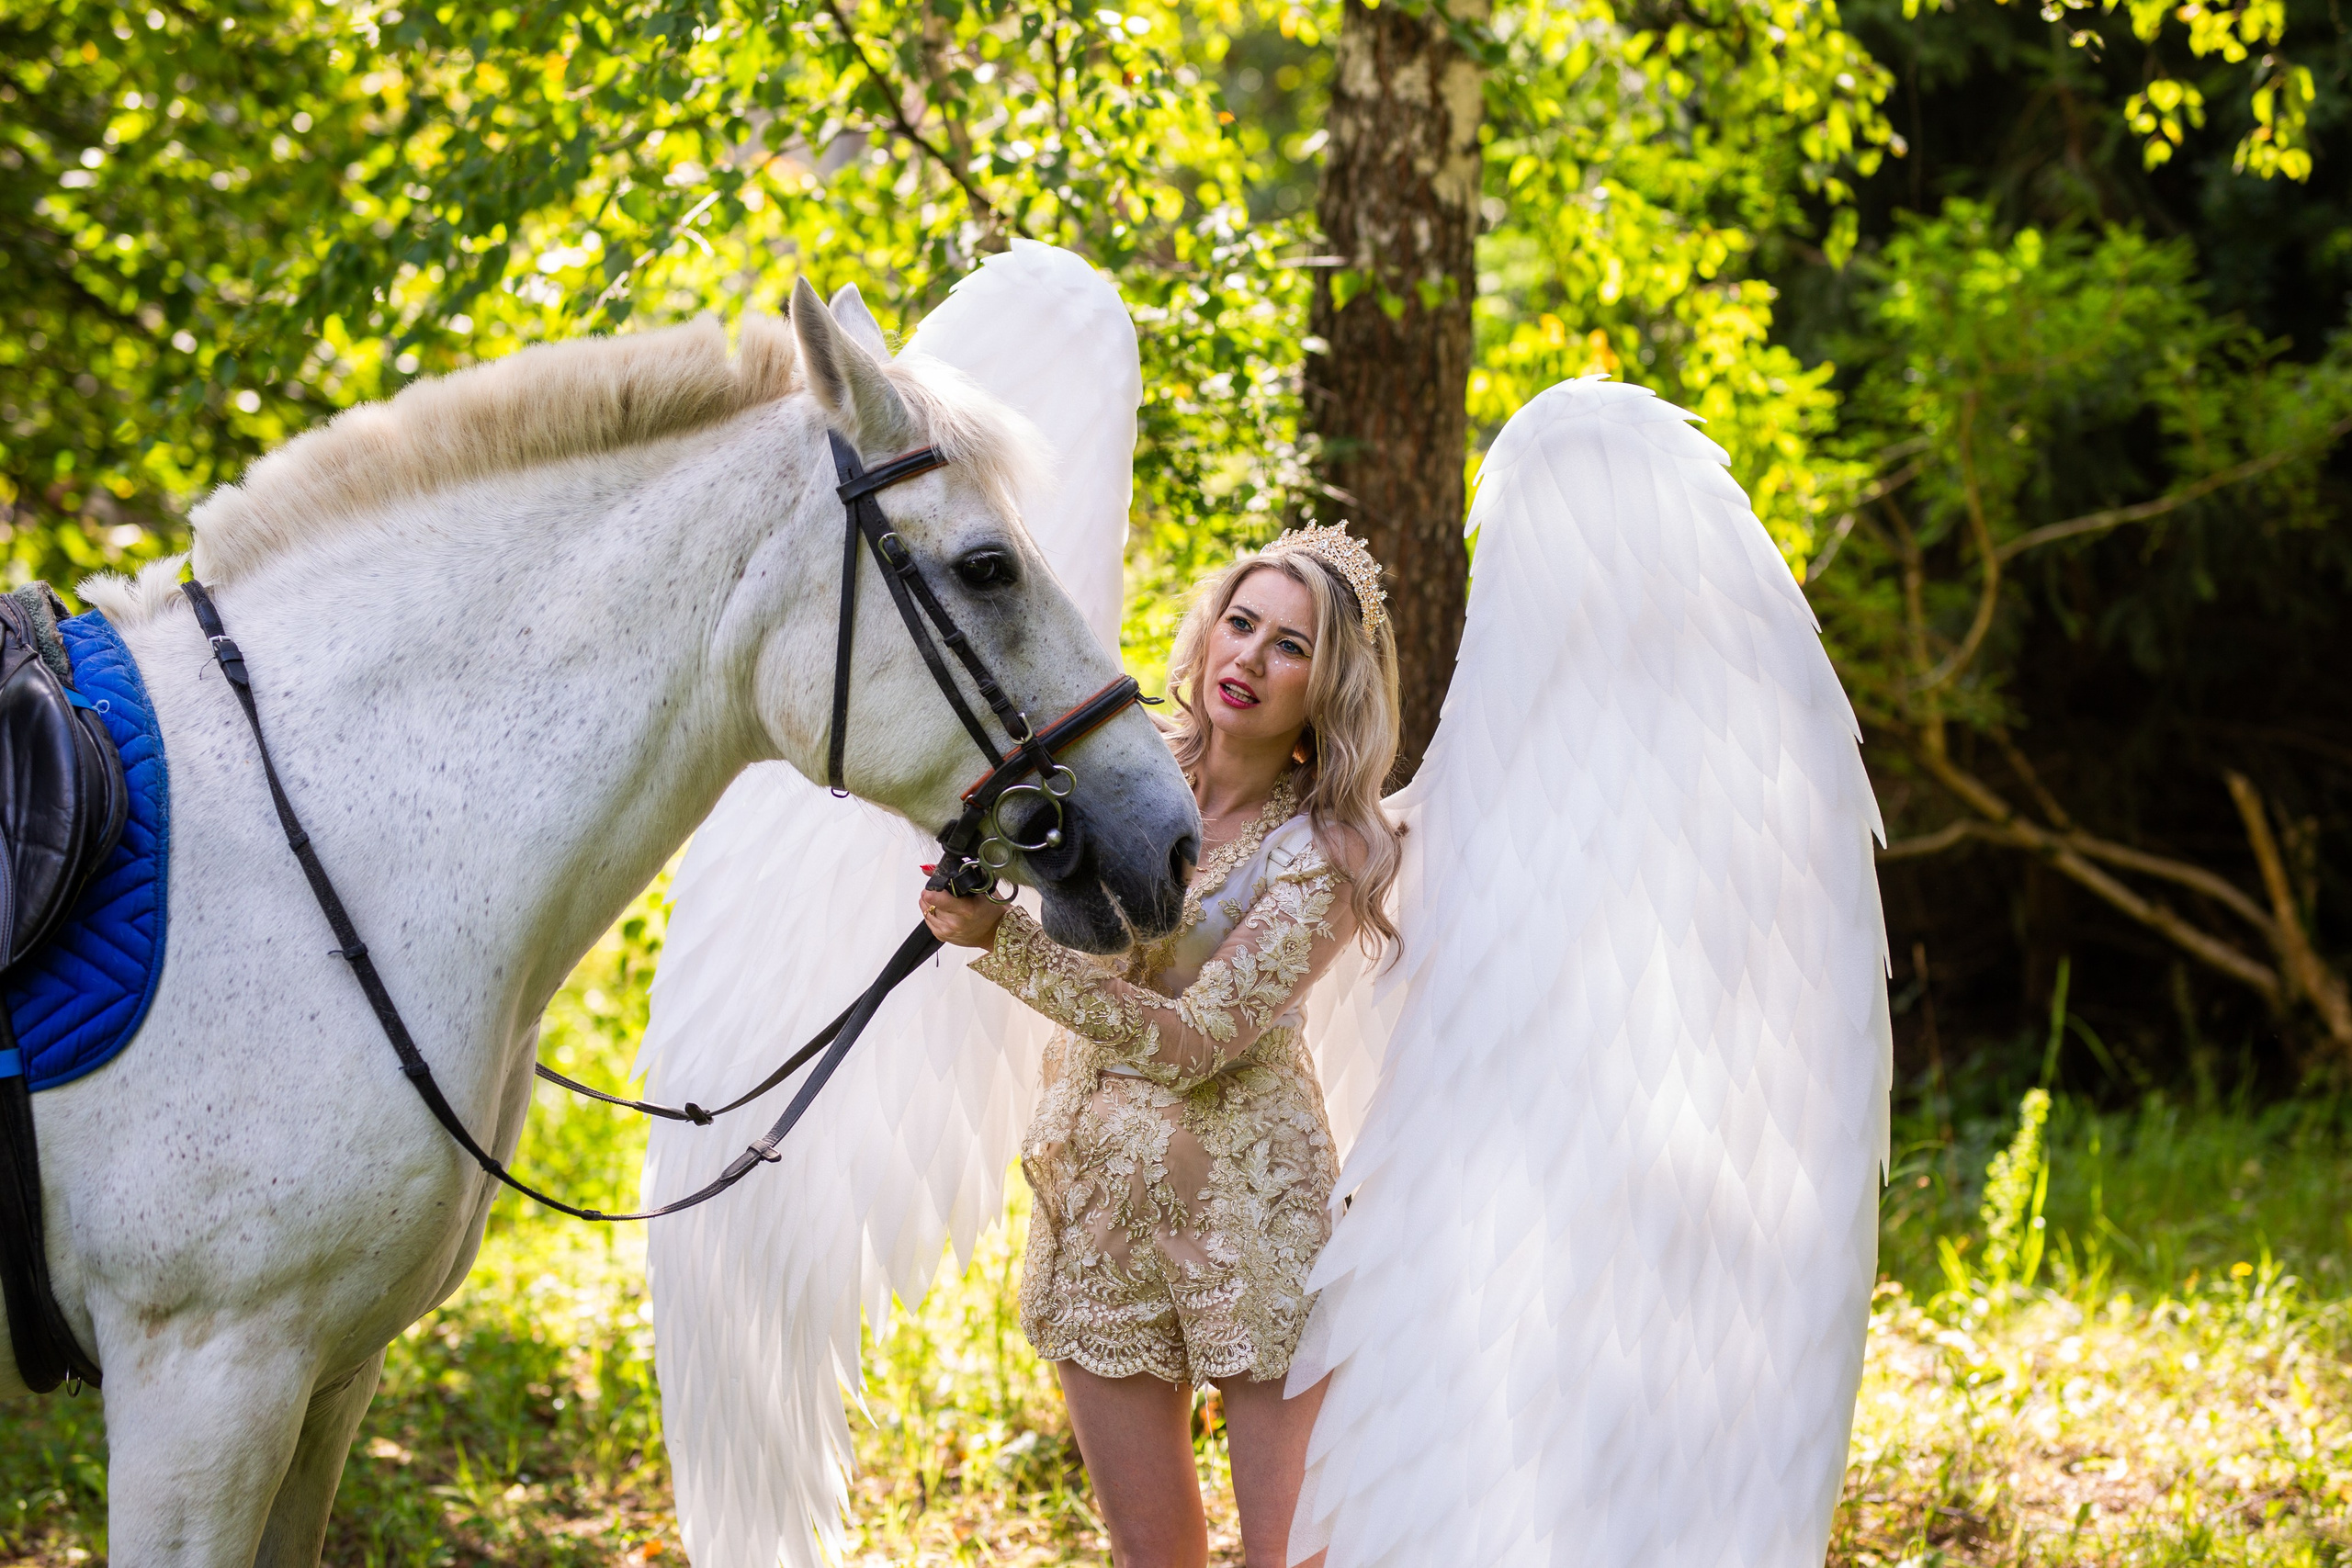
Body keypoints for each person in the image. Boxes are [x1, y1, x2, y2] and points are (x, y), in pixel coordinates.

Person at [920, 521, 1403, 1568]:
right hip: (1096, 1204)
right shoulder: (1116, 779)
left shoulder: (1331, 847)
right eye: (1242, 623)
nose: (1250, 658)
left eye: (1290, 645)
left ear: (1328, 686)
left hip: (1250, 1220)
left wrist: (1004, 943)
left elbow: (1198, 1042)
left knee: (1296, 1557)